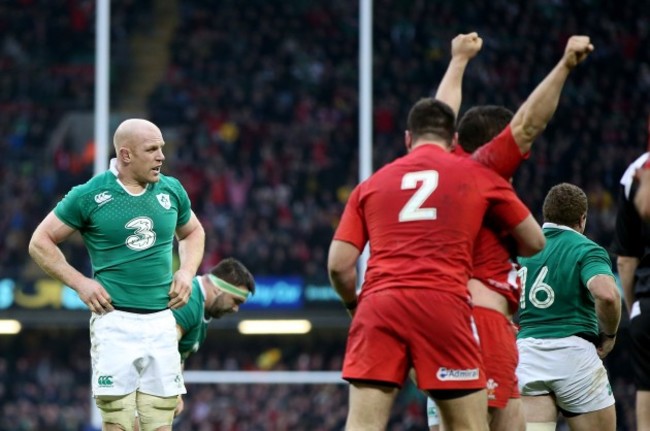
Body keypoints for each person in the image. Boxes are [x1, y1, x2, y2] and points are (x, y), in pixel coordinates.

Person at [327, 97, 545, 431]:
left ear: (407, 138)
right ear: (454, 141)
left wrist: (352, 305)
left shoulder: (371, 184)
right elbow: (535, 242)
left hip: (378, 305)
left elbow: (339, 265)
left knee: (362, 424)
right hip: (442, 303)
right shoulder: (476, 174)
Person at [426, 34, 595, 431]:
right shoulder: (486, 173)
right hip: (480, 322)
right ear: (493, 146)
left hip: (435, 319)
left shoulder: (438, 164)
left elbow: (441, 114)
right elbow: (529, 123)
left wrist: (458, 60)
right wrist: (566, 64)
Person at [28, 118, 206, 431]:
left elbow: (193, 232)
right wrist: (80, 284)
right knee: (119, 423)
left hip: (163, 320)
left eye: (161, 148)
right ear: (125, 155)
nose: (161, 156)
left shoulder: (171, 189)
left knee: (161, 422)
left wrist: (187, 272)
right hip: (115, 322)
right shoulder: (90, 195)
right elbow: (40, 243)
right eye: (152, 149)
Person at [516, 183, 621, 431]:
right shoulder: (586, 248)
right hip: (575, 358)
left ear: (546, 215)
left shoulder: (524, 250)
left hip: (528, 357)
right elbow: (607, 295)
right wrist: (609, 335)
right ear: (582, 219)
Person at [133, 257, 256, 430]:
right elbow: (160, 346)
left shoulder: (201, 309)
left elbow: (177, 354)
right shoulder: (189, 300)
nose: (235, 309)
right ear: (219, 288)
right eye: (236, 301)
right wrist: (171, 390)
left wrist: (175, 390)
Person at [611, 151, 650, 430]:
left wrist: (634, 307)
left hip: (648, 305)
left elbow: (625, 259)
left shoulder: (635, 171)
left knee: (647, 388)